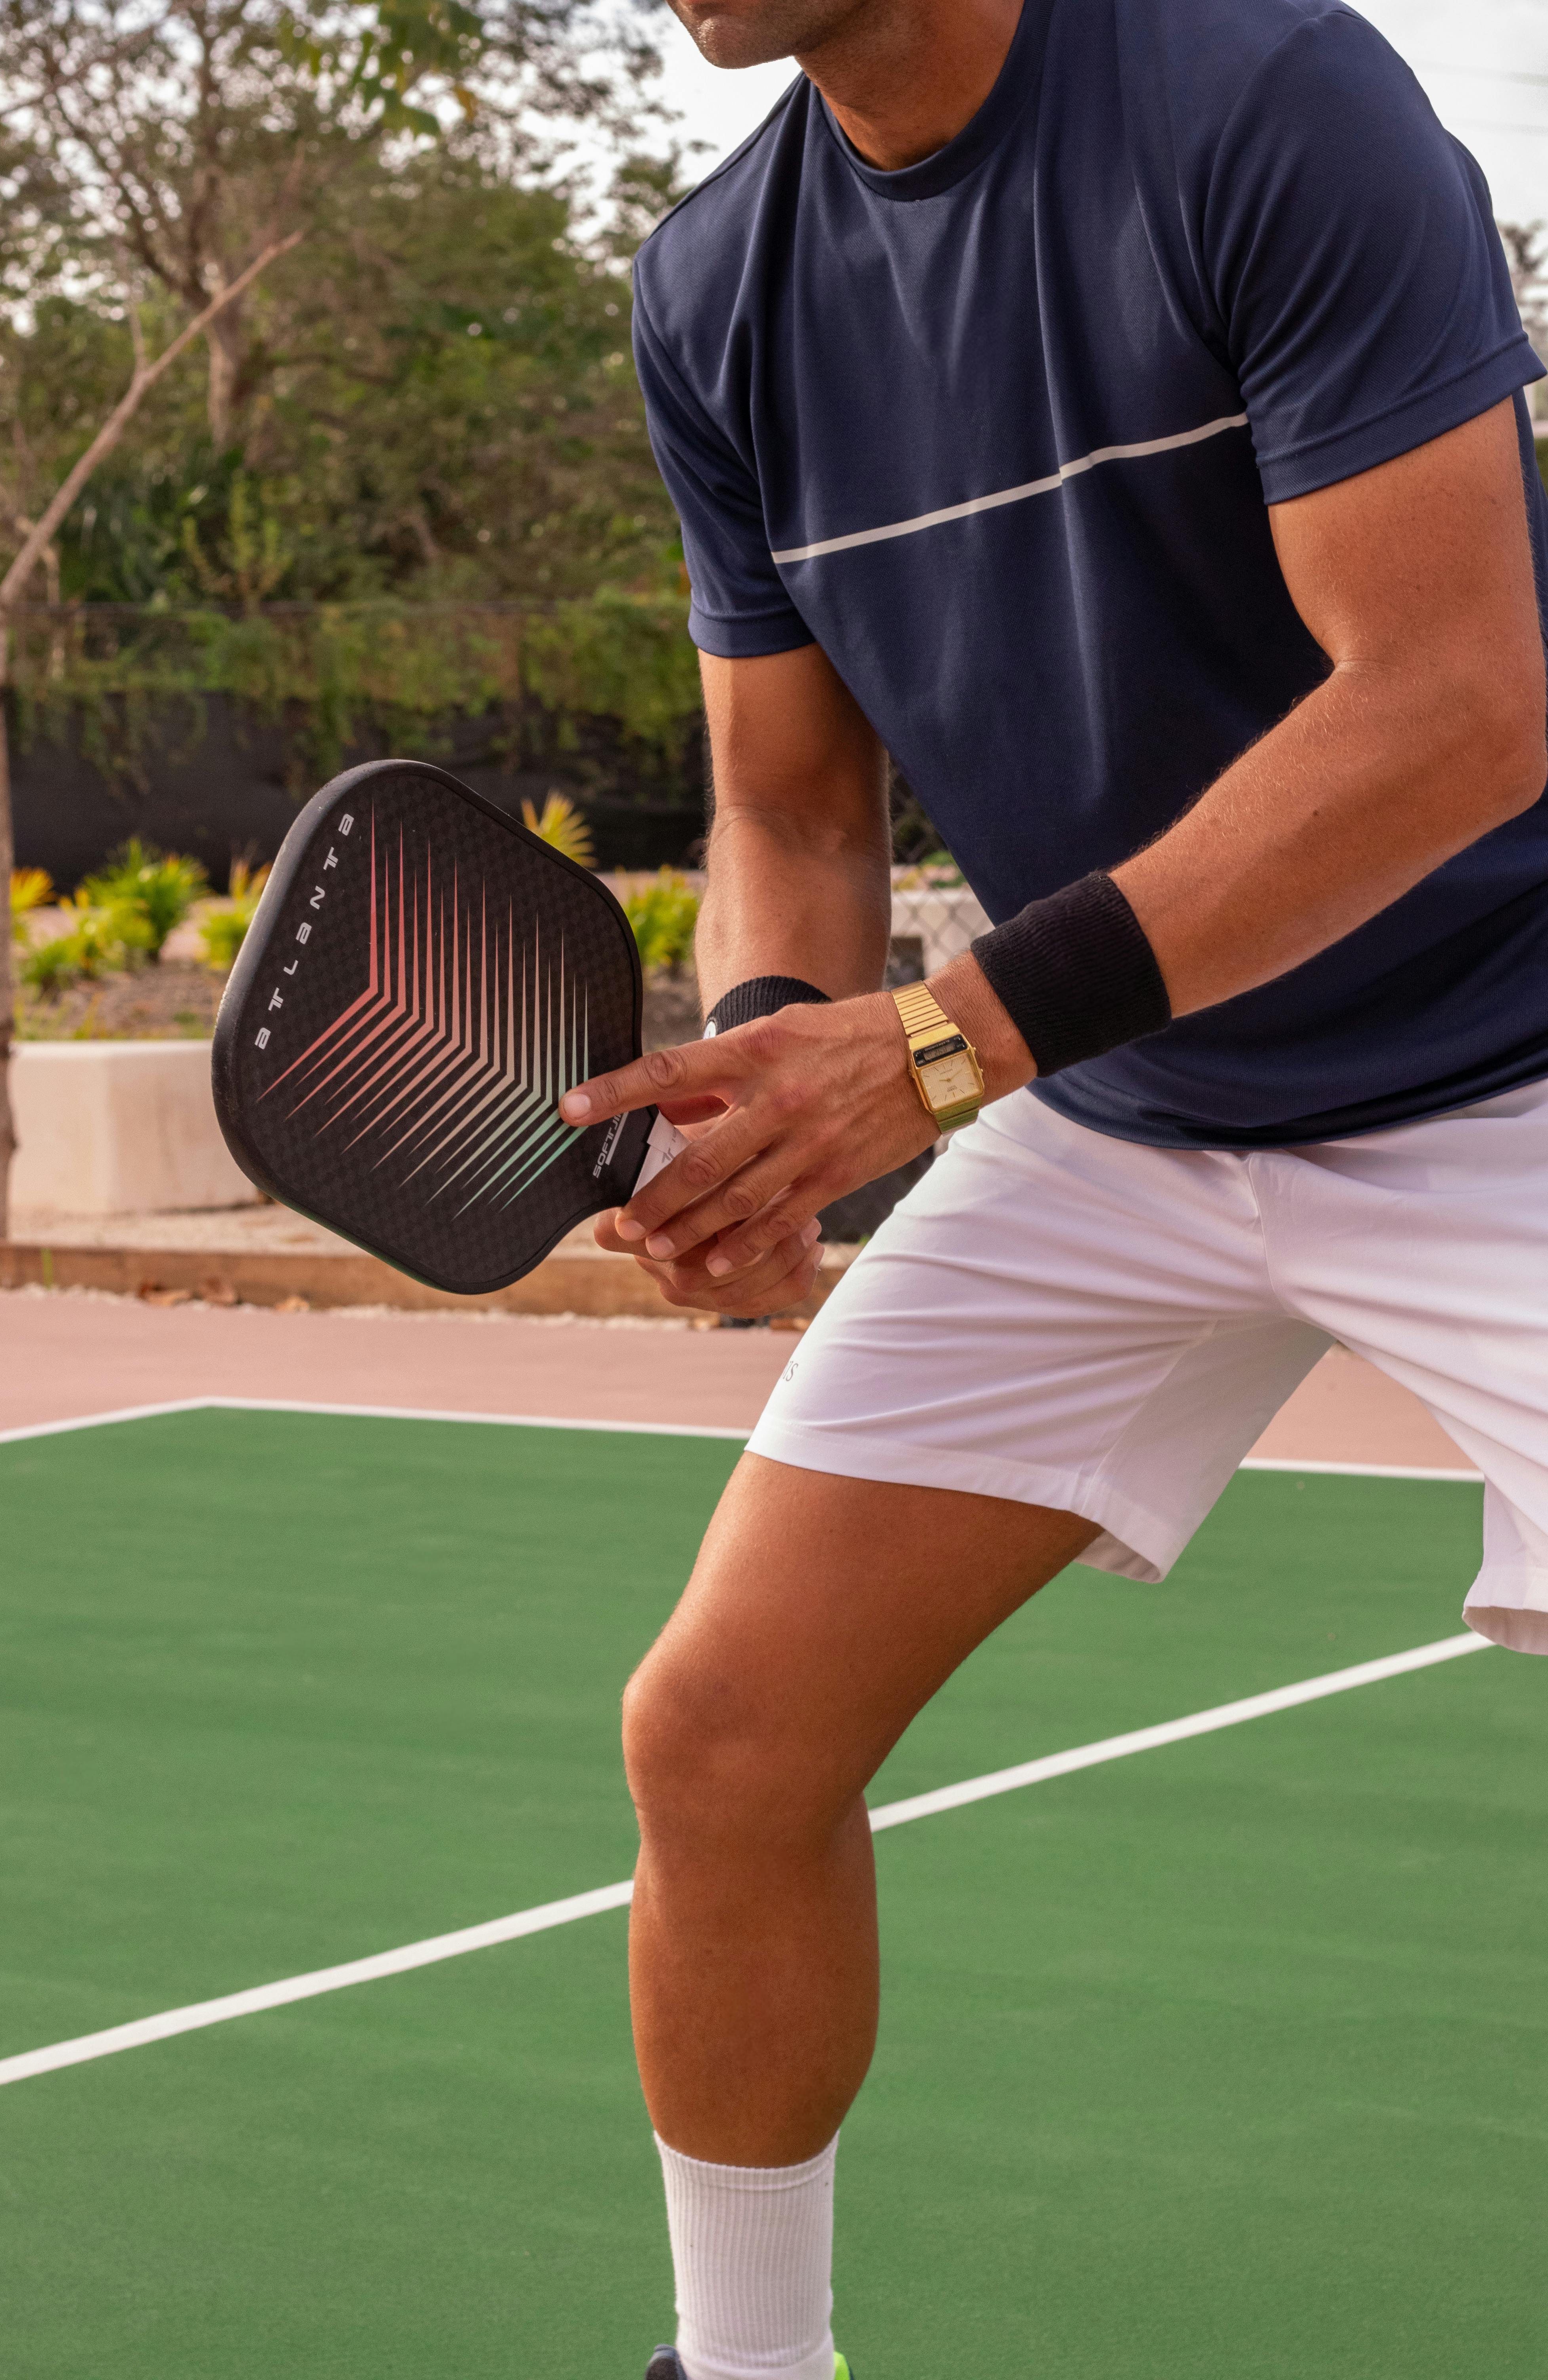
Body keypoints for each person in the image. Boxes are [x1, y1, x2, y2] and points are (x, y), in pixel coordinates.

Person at [555, 0, 1548, 2365]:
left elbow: (1457, 698)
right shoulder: (716, 288)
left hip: (1511, 1057)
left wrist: (936, 1047)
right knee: (722, 1736)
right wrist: (770, 1094)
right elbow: (791, 800)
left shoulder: (1259, 99)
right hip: (1120, 1107)